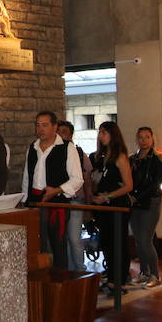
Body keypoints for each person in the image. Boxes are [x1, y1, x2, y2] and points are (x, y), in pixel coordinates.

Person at [22, 111, 84, 269]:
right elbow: (27, 177)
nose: (40, 129)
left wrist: (57, 190)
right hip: (35, 204)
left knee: (58, 247)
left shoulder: (67, 148)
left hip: (57, 205)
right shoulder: (33, 147)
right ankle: (42, 285)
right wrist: (25, 202)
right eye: (37, 125)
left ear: (54, 127)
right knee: (38, 246)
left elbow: (77, 179)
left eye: (44, 125)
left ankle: (60, 284)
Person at [92, 121, 135, 293]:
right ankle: (111, 277)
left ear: (112, 135)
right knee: (107, 242)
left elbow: (128, 185)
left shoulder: (120, 157)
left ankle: (120, 280)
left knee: (119, 243)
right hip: (103, 207)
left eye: (104, 132)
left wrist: (108, 197)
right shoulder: (101, 157)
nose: (100, 136)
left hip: (117, 205)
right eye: (99, 132)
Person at [130, 127, 162, 288]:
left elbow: (155, 183)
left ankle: (155, 274)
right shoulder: (133, 159)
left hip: (151, 201)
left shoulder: (158, 158)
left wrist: (136, 196)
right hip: (135, 202)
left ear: (152, 139)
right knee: (138, 240)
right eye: (140, 137)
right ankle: (144, 272)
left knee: (146, 240)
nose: (144, 140)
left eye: (147, 137)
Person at [57, 120, 93, 271]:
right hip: (59, 201)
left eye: (64, 132)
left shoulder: (79, 153)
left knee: (74, 238)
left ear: (71, 135)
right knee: (62, 238)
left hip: (76, 201)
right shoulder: (55, 153)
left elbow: (87, 181)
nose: (60, 135)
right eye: (58, 131)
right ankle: (68, 269)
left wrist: (88, 207)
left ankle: (79, 269)